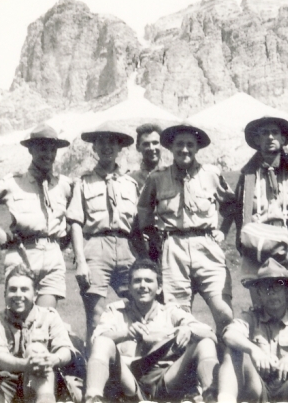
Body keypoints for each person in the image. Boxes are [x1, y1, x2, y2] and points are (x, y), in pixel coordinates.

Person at [137, 123, 235, 334]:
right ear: (171, 148)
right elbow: (144, 210)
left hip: (207, 247)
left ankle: (225, 353)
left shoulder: (211, 174)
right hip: (173, 249)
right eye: (179, 144)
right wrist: (155, 238)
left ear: (197, 148)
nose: (184, 149)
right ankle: (192, 354)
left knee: (224, 313)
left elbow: (232, 205)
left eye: (190, 144)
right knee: (178, 316)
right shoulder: (157, 178)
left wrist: (223, 231)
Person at [0, 124, 74, 308]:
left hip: (53, 257)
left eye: (53, 150)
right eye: (43, 149)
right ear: (31, 150)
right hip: (22, 254)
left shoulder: (64, 185)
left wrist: (67, 237)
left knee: (46, 318)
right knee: (20, 317)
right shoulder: (13, 183)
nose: (48, 154)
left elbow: (78, 213)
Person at [84, 259, 219, 403]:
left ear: (159, 288)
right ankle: (93, 398)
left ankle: (210, 397)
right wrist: (126, 334)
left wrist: (189, 330)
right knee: (103, 342)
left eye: (148, 281)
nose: (143, 285)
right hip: (128, 380)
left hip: (165, 379)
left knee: (205, 343)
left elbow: (210, 334)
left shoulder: (170, 311)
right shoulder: (116, 310)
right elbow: (97, 338)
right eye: (137, 281)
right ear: (129, 287)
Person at [220, 116, 288, 306]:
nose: (270, 137)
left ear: (283, 138)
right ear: (257, 139)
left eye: (275, 132)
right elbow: (238, 210)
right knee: (260, 301)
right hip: (258, 239)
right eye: (264, 133)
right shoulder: (248, 174)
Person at [0, 265, 82, 403]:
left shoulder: (49, 316)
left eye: (24, 289)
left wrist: (52, 359)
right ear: (5, 294)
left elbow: (65, 350)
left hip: (42, 383)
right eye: (13, 290)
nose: (18, 295)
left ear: (35, 294)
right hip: (6, 386)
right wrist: (26, 365)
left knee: (36, 350)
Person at [67, 122, 141, 345]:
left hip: (127, 247)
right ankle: (94, 364)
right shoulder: (83, 182)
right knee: (95, 316)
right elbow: (75, 222)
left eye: (112, 142)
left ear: (120, 148)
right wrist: (81, 261)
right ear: (94, 148)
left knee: (138, 308)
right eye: (102, 142)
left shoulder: (131, 184)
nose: (107, 147)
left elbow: (138, 224)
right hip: (96, 247)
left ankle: (135, 362)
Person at [219, 258, 288, 403]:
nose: (271, 293)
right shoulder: (250, 317)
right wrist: (254, 350)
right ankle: (226, 400)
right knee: (233, 351)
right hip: (257, 387)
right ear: (259, 293)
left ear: (287, 291)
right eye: (265, 288)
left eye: (278, 287)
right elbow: (229, 334)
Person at [129, 123, 164, 192]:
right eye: (146, 144)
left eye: (155, 143)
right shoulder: (131, 179)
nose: (151, 148)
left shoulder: (172, 175)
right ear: (137, 147)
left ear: (162, 145)